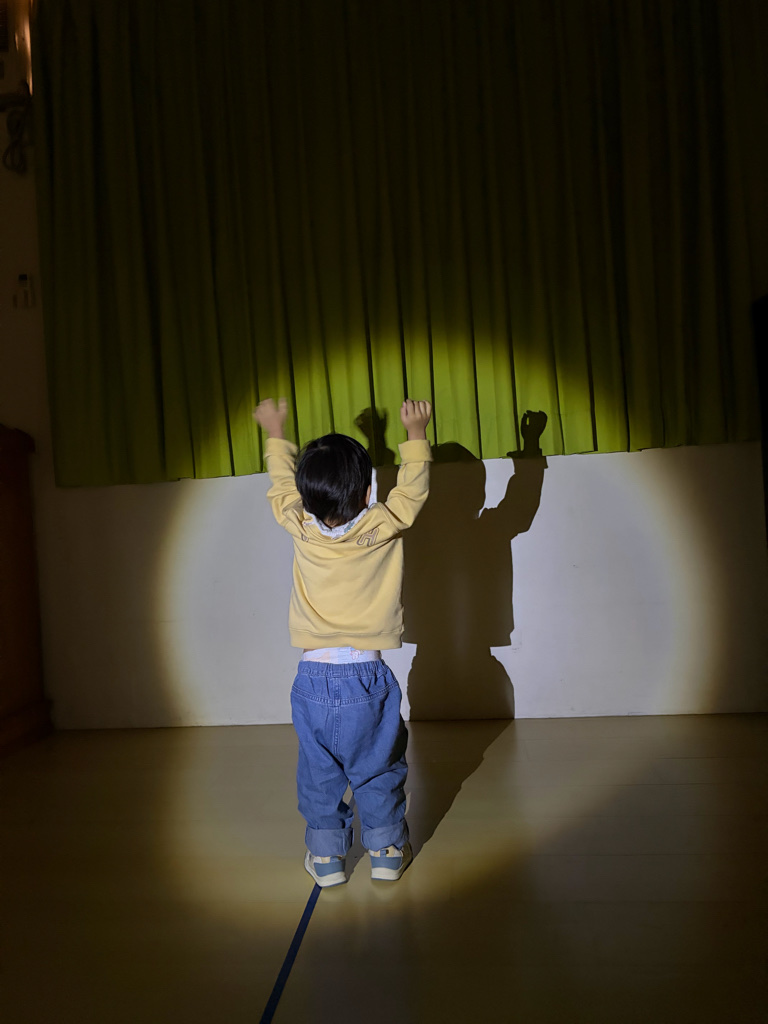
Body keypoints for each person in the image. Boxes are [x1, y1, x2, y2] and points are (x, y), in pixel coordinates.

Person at [252, 397, 433, 887]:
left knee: (319, 773)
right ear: (370, 489)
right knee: (377, 768)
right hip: (368, 676)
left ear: (306, 497)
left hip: (311, 678)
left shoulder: (298, 524)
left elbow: (280, 484)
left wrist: (275, 432)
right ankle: (387, 851)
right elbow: (412, 491)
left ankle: (328, 859)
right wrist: (415, 435)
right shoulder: (383, 524)